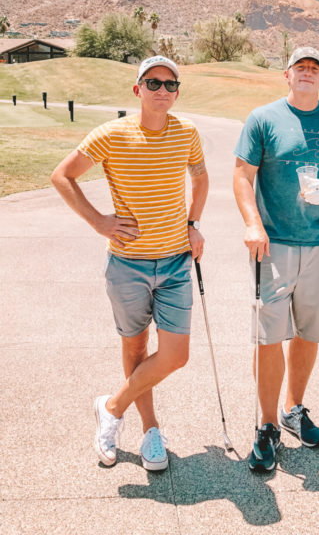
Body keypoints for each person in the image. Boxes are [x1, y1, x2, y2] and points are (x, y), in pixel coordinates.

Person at [51, 55, 208, 471]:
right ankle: (150, 429)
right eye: (152, 83)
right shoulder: (111, 134)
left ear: (177, 93)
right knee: (135, 347)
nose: (162, 91)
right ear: (137, 89)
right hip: (127, 264)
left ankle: (112, 406)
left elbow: (201, 176)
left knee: (175, 355)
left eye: (170, 84)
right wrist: (99, 221)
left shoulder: (186, 133)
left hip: (175, 260)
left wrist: (193, 222)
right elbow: (62, 176)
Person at [233, 46, 319, 471]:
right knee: (268, 335)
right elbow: (242, 175)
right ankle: (267, 425)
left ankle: (293, 409)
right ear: (287, 75)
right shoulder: (263, 119)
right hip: (273, 243)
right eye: (300, 67)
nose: (307, 73)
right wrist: (253, 224)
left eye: (315, 68)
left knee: (309, 331)